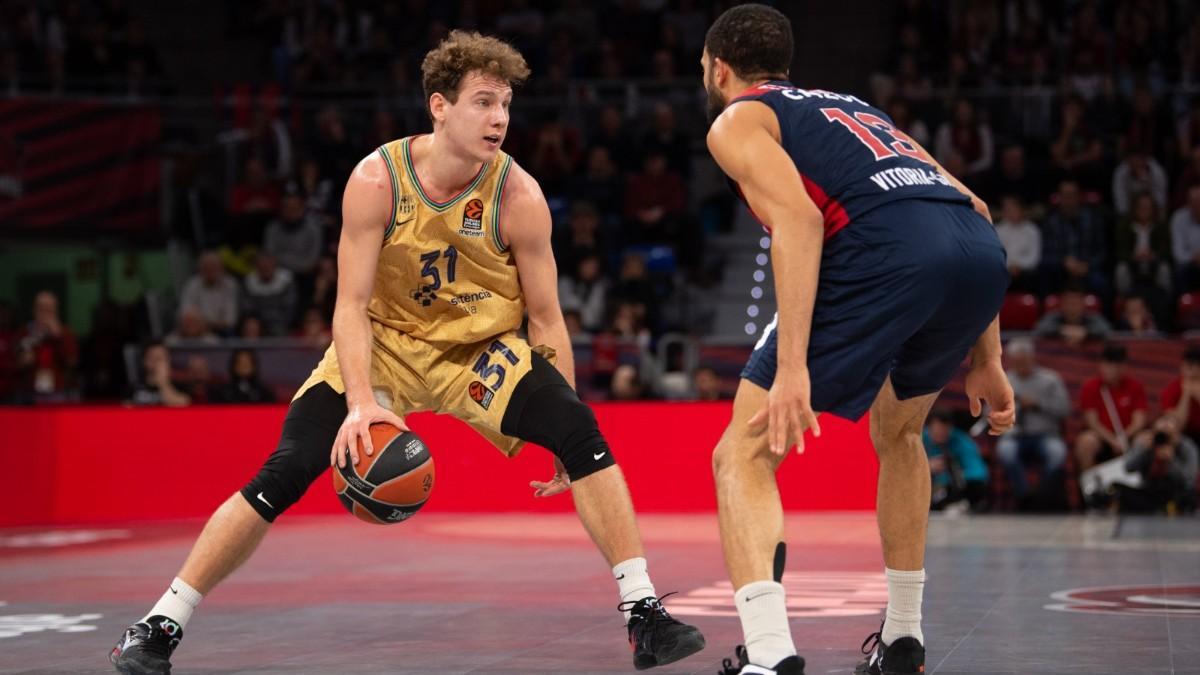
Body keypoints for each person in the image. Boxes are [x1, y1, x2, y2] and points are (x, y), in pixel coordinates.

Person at [110, 31, 703, 675]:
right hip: (383, 344)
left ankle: (644, 616)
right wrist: (362, 403)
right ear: (439, 106)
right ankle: (158, 625)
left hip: (476, 351)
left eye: (505, 104)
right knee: (285, 470)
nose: (499, 118)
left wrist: (561, 418)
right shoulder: (376, 180)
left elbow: (545, 317)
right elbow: (348, 305)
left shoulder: (518, 195)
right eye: (482, 102)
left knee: (581, 433)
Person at [701, 7, 1013, 675]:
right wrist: (988, 359)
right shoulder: (854, 107)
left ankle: (769, 655)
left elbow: (801, 222)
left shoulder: (738, 118)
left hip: (887, 253)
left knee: (741, 454)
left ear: (717, 67)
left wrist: (791, 370)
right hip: (975, 255)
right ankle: (902, 637)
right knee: (899, 432)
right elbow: (976, 209)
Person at [996, 338, 1071, 504]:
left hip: (1046, 434)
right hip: (1014, 435)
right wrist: (1011, 409)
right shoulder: (1003, 381)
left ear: (1032, 358)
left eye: (1024, 361)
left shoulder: (1050, 380)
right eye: (1016, 362)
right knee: (1006, 452)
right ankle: (1025, 496)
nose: (1020, 365)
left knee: (1057, 453)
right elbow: (989, 412)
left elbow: (1065, 410)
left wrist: (1038, 404)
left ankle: (1044, 494)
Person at [1075, 343, 1148, 472]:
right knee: (1086, 442)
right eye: (1104, 364)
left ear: (1122, 367)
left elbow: (1139, 421)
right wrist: (1113, 441)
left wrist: (1123, 437)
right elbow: (1093, 423)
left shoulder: (1135, 386)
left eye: (1111, 366)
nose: (1106, 369)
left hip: (1128, 435)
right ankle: (1090, 487)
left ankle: (1140, 487)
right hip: (1102, 437)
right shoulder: (1091, 387)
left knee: (1146, 440)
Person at [922, 409, 989, 512]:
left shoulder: (961, 441)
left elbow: (978, 472)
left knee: (977, 486)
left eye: (945, 430)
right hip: (923, 486)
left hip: (953, 487)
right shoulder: (918, 440)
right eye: (937, 430)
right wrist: (925, 467)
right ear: (929, 427)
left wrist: (953, 474)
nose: (941, 433)